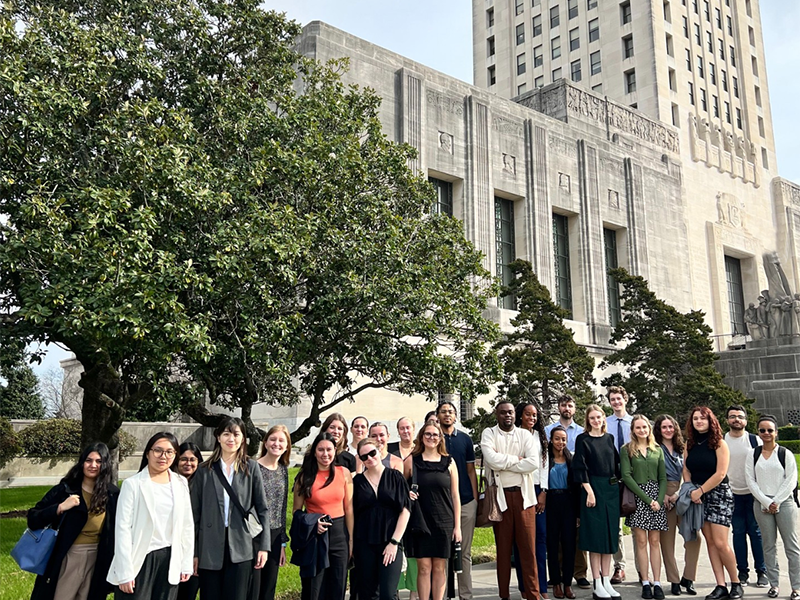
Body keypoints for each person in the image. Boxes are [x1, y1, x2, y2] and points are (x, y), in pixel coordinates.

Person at [190, 417, 271, 600]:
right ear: (218, 437)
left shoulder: (251, 468)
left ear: (243, 438)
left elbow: (262, 509)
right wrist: (193, 553)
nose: (231, 439)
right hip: (209, 547)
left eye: (236, 434)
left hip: (241, 545)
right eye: (226, 434)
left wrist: (263, 547)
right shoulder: (204, 470)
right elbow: (194, 515)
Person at [107, 432, 194, 600]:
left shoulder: (180, 483)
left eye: (170, 452)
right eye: (158, 450)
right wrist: (125, 571)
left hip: (170, 559)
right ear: (147, 453)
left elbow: (187, 525)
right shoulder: (132, 484)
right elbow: (122, 529)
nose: (163, 456)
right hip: (140, 559)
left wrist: (186, 563)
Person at [27, 442, 119, 600]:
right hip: (69, 555)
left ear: (105, 465)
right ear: (82, 462)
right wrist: (60, 507)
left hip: (98, 557)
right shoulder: (65, 489)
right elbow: (33, 518)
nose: (93, 465)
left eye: (98, 461)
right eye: (88, 460)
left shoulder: (112, 494)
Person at [480, 401, 540, 600]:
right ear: (497, 415)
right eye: (503, 412)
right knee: (503, 551)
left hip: (524, 499)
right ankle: (504, 595)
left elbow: (533, 463)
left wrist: (504, 462)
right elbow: (491, 460)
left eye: (511, 412)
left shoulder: (525, 434)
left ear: (516, 415)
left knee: (528, 552)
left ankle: (533, 595)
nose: (508, 415)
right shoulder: (489, 434)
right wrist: (517, 460)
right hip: (500, 499)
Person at [684, 407, 742, 600]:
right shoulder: (689, 444)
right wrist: (691, 489)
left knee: (720, 542)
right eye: (695, 419)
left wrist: (700, 491)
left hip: (718, 495)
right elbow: (686, 469)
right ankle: (720, 585)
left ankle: (736, 583)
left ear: (711, 421)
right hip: (698, 495)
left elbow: (720, 474)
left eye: (703, 418)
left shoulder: (719, 443)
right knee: (709, 542)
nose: (699, 421)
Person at [292, 432, 354, 600]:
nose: (325, 454)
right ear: (314, 452)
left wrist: (350, 540)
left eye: (329, 449)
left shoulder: (344, 473)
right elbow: (296, 511)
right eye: (320, 450)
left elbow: (349, 509)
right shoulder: (304, 477)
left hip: (339, 535)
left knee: (337, 585)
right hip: (315, 536)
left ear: (335, 451)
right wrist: (312, 524)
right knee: (314, 588)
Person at [744, 415, 800, 600]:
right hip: (761, 504)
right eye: (762, 430)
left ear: (776, 432)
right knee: (768, 546)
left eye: (770, 430)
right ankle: (774, 585)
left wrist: (776, 501)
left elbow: (791, 480)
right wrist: (766, 502)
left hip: (785, 503)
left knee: (792, 547)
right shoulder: (753, 454)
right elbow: (750, 481)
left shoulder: (786, 454)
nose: (766, 433)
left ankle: (797, 587)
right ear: (758, 433)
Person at [404, 420, 461, 600]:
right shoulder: (412, 461)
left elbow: (455, 495)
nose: (431, 438)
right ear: (421, 437)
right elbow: (400, 488)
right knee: (424, 568)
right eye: (428, 434)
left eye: (435, 435)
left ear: (440, 438)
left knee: (439, 567)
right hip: (420, 521)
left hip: (444, 521)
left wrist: (457, 527)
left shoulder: (449, 462)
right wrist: (407, 494)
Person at [572, 404, 621, 600]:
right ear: (588, 420)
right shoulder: (582, 439)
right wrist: (589, 492)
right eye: (592, 418)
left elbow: (616, 464)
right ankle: (597, 582)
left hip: (610, 490)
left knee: (609, 538)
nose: (596, 421)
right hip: (592, 489)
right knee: (595, 539)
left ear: (603, 418)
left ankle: (607, 580)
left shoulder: (609, 438)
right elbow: (580, 467)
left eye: (599, 417)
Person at [353, 438, 412, 600]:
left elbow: (405, 510)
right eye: (364, 457)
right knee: (368, 593)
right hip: (365, 544)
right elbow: (352, 514)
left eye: (372, 453)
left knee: (388, 594)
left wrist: (394, 542)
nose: (370, 458)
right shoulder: (357, 482)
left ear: (379, 451)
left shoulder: (395, 477)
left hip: (391, 542)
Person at [653, 414, 701, 596]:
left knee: (694, 537)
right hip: (663, 495)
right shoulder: (654, 448)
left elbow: (689, 472)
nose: (668, 430)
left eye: (670, 426)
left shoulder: (684, 448)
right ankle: (673, 580)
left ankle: (688, 578)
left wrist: (678, 493)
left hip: (683, 493)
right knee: (667, 541)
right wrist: (663, 495)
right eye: (664, 427)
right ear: (658, 429)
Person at [621, 415, 667, 600]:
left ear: (649, 429)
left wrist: (659, 499)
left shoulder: (657, 450)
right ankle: (645, 581)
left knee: (655, 542)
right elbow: (626, 476)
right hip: (639, 497)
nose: (642, 430)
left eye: (644, 427)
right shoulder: (627, 450)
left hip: (656, 498)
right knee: (641, 542)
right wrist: (648, 500)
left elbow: (663, 477)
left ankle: (657, 582)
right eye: (638, 428)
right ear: (633, 430)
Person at [545, 395, 589, 590]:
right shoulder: (547, 430)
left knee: (575, 539)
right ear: (558, 407)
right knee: (555, 540)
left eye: (570, 405)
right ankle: (558, 577)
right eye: (563, 405)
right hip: (553, 498)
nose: (567, 408)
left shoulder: (581, 431)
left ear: (575, 408)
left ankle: (579, 574)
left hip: (573, 491)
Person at [437, 401, 479, 600]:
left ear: (456, 416)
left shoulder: (465, 439)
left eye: (451, 412)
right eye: (443, 412)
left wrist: (475, 500)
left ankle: (466, 595)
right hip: (442, 504)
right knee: (443, 553)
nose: (447, 415)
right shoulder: (433, 439)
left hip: (465, 501)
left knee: (465, 553)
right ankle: (442, 595)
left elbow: (471, 471)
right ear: (438, 415)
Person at [724, 405, 768, 587]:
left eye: (740, 417)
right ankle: (742, 572)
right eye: (733, 416)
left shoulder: (754, 440)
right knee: (738, 533)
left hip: (753, 494)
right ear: (727, 420)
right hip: (731, 495)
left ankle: (762, 572)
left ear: (746, 421)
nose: (736, 419)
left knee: (756, 534)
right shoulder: (721, 441)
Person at [253, 425, 292, 600]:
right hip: (255, 534)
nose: (277, 443)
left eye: (281, 440)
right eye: (273, 439)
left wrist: (282, 543)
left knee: (269, 588)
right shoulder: (253, 467)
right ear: (266, 442)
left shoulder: (283, 470)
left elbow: (282, 508)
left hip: (275, 535)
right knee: (253, 587)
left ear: (287, 446)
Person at [515, 401, 549, 599]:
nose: (532, 418)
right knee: (523, 541)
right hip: (520, 489)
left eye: (535, 415)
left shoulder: (540, 437)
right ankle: (524, 587)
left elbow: (543, 466)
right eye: (528, 414)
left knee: (540, 539)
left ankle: (541, 588)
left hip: (537, 490)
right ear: (521, 415)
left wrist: (543, 491)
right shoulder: (514, 435)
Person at [546, 426, 578, 600]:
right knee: (552, 544)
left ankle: (567, 584)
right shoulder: (546, 459)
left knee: (569, 545)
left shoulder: (570, 459)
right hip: (551, 502)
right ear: (551, 439)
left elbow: (576, 485)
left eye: (564, 439)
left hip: (568, 503)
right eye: (557, 439)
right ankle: (556, 583)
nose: (561, 442)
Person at [605, 387, 633, 585]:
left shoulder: (636, 423)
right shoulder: (604, 423)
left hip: (635, 478)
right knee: (616, 526)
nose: (616, 402)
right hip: (612, 478)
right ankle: (619, 567)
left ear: (625, 400)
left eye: (619, 398)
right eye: (612, 399)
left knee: (640, 526)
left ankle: (644, 570)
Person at [177, 443, 203, 600]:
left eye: (192, 459)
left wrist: (195, 554)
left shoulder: (204, 486)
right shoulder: (169, 484)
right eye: (183, 459)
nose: (188, 463)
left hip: (194, 552)